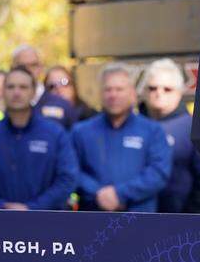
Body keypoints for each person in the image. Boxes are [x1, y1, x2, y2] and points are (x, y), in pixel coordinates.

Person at [72, 63, 172, 212]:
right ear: (100, 93)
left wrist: (120, 194)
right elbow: (70, 170)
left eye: (119, 89)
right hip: (92, 218)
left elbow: (159, 173)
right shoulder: (80, 131)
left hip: (140, 220)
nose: (113, 95)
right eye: (108, 89)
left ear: (132, 93)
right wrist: (98, 193)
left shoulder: (153, 131)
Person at [0, 66, 78, 210]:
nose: (16, 92)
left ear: (34, 92)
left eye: (23, 87)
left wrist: (33, 208)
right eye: (10, 87)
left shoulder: (54, 134)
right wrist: (1, 207)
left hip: (47, 224)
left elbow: (67, 179)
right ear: (3, 92)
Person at [138, 59, 200, 213]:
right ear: (144, 91)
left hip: (180, 219)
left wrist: (191, 219)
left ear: (179, 92)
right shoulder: (131, 125)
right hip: (133, 218)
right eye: (152, 88)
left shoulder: (193, 127)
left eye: (167, 89)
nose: (158, 93)